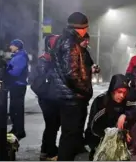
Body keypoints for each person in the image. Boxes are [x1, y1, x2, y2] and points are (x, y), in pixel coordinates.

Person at [51, 12, 94, 161]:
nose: (87, 31)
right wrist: (86, 90)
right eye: (86, 28)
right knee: (69, 137)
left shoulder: (64, 40)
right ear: (80, 28)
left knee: (70, 136)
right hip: (71, 97)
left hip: (67, 96)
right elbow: (72, 74)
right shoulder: (71, 43)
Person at [85, 74, 136, 161]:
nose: (122, 96)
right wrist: (113, 133)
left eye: (124, 93)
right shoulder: (101, 101)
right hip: (98, 135)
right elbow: (93, 127)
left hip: (119, 134)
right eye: (119, 92)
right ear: (112, 91)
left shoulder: (127, 100)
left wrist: (125, 115)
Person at [35, 35, 61, 161]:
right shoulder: (45, 59)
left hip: (52, 96)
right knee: (52, 124)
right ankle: (49, 152)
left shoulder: (54, 59)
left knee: (53, 125)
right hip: (47, 97)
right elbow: (43, 77)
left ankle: (45, 150)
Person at [6, 39, 29, 140]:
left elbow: (15, 72)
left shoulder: (20, 57)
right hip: (15, 85)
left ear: (17, 47)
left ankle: (20, 131)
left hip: (18, 85)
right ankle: (15, 128)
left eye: (12, 45)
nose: (10, 47)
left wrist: (6, 71)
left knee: (17, 109)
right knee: (13, 109)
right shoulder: (17, 56)